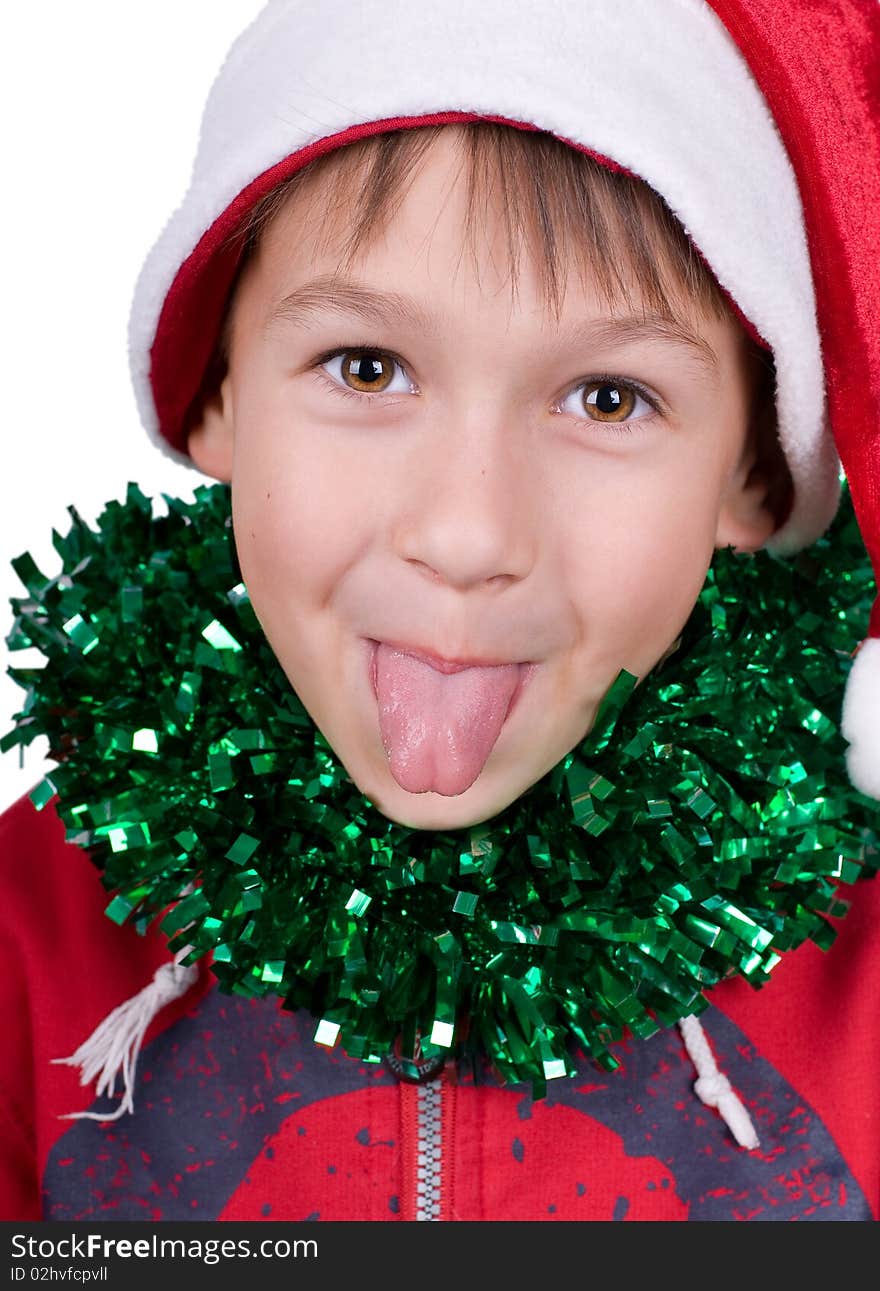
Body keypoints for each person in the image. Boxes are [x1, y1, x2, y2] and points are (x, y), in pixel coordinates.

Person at [1, 0, 879, 1222]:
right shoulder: (29, 937)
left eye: (609, 398)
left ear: (749, 474)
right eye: (367, 368)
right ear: (216, 394)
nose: (467, 535)